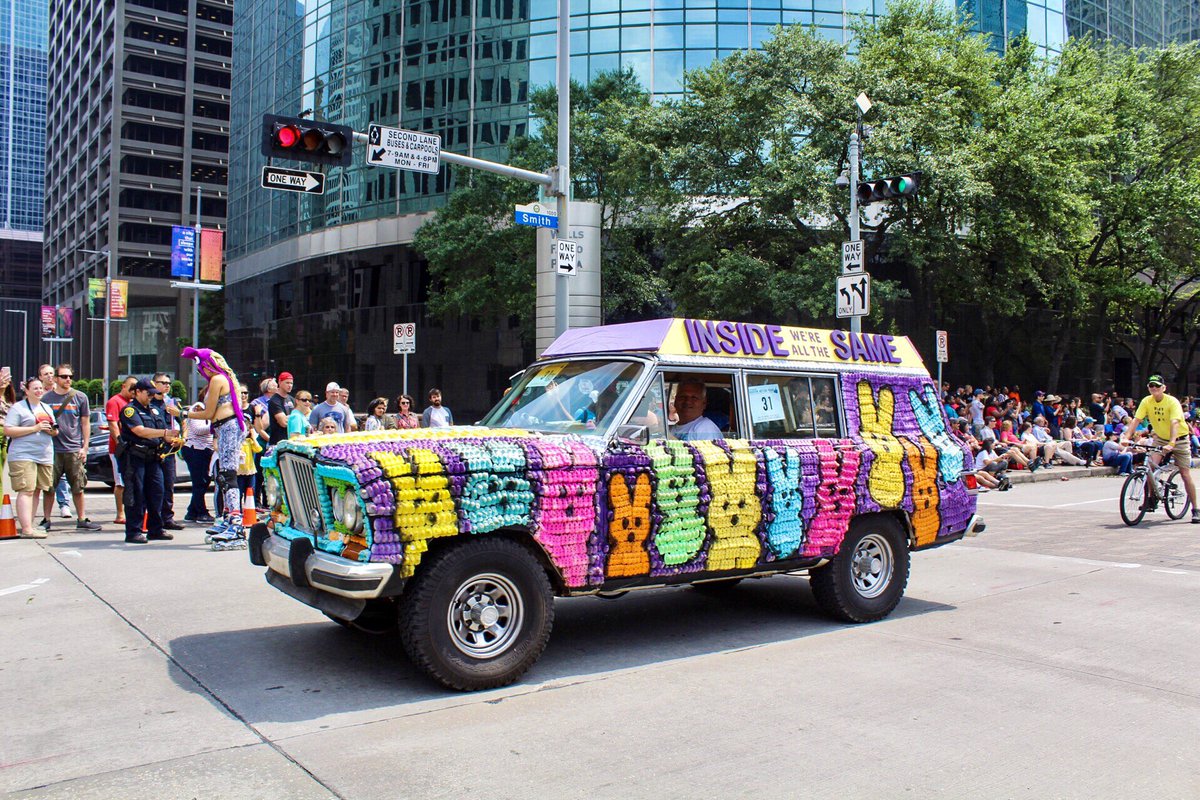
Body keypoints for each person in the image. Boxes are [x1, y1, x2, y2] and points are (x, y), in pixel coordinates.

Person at [180, 346, 248, 549]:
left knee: (228, 475)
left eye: (200, 366)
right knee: (224, 475)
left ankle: (235, 524)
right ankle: (229, 518)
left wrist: (184, 413)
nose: (201, 371)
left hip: (227, 426)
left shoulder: (218, 379)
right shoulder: (222, 379)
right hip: (225, 427)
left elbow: (208, 412)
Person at [1121, 375, 1199, 522]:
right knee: (1149, 466)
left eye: (1157, 386)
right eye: (1151, 386)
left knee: (1185, 473)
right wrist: (1126, 437)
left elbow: (1175, 422)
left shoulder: (1172, 402)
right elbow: (1136, 420)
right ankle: (1151, 498)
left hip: (1179, 438)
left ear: (1164, 388)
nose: (1154, 388)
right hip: (1160, 438)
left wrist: (1172, 442)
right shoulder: (1146, 401)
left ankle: (1196, 509)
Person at [39, 364, 102, 531]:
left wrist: (85, 447)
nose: (67, 380)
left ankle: (81, 518)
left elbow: (85, 423)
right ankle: (46, 519)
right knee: (49, 487)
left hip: (74, 448)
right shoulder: (46, 399)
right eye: (64, 376)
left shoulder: (80, 397)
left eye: (70, 377)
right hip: (52, 449)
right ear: (56, 379)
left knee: (78, 486)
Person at [117, 379, 179, 543]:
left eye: (153, 393)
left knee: (157, 493)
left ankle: (156, 529)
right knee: (137, 494)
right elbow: (140, 431)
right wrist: (164, 433)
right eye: (148, 393)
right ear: (137, 392)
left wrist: (170, 439)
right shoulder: (130, 411)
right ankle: (133, 531)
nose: (151, 396)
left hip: (154, 457)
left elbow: (162, 432)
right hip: (135, 457)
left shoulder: (155, 411)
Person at [3, 377, 56, 538]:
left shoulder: (46, 408)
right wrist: (35, 428)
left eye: (41, 388)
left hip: (44, 454)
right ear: (26, 391)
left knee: (37, 490)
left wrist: (51, 431)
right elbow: (8, 430)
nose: (39, 391)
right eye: (35, 388)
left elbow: (55, 430)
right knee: (26, 490)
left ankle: (30, 525)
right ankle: (26, 529)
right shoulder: (18, 408)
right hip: (23, 454)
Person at [150, 373, 184, 531]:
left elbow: (183, 422)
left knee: (168, 484)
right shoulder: (148, 402)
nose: (166, 385)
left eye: (168, 383)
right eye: (162, 382)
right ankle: (153, 518)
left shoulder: (171, 403)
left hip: (169, 449)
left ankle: (167, 517)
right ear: (154, 383)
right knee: (154, 486)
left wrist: (182, 438)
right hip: (153, 448)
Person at [106, 377, 136, 524]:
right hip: (119, 449)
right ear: (123, 386)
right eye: (130, 387)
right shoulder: (114, 401)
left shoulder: (133, 403)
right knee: (120, 483)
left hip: (133, 447)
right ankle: (120, 513)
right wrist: (120, 443)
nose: (133, 391)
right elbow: (113, 424)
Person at [181, 399, 215, 523]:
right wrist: (215, 423)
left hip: (207, 449)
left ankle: (192, 511)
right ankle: (201, 512)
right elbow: (197, 430)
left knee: (204, 481)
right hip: (195, 449)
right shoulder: (198, 408)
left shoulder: (213, 410)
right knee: (199, 482)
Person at [267, 372, 295, 446]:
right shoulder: (275, 400)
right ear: (280, 382)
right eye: (287, 383)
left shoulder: (291, 399)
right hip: (278, 442)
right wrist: (295, 418)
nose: (290, 385)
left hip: (290, 441)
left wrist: (289, 417)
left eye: (291, 383)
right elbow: (283, 423)